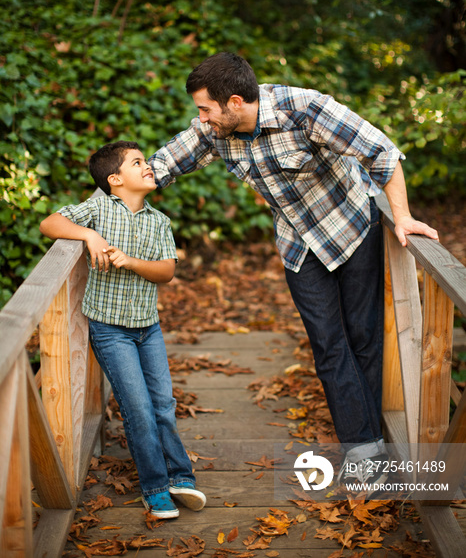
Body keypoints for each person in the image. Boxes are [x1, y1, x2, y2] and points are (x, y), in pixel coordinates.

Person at [146, 52, 439, 493]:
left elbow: (381, 152)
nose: (199, 117)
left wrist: (401, 215)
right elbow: (163, 163)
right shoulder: (215, 130)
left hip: (351, 227)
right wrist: (107, 203)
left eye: (205, 108)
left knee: (363, 338)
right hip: (299, 245)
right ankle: (365, 453)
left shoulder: (304, 109)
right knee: (328, 345)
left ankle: (374, 440)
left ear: (236, 102)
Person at [39, 140, 206, 519]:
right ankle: (155, 487)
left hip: (149, 328)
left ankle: (181, 476)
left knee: (164, 404)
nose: (148, 166)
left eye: (145, 161)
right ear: (115, 179)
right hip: (111, 331)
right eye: (137, 162)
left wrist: (129, 261)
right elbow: (50, 222)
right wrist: (89, 235)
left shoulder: (158, 220)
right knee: (139, 410)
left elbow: (166, 271)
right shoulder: (99, 208)